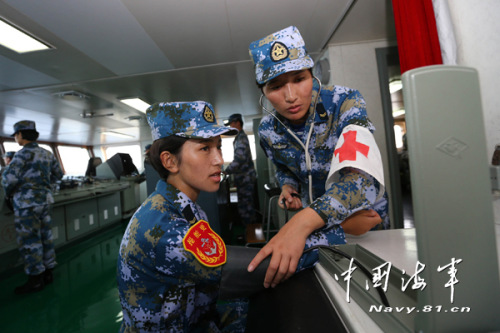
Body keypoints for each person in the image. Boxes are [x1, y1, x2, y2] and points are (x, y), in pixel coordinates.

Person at [247, 26, 389, 288]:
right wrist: (288, 185)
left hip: (363, 223)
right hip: (323, 225)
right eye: (276, 86)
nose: (291, 97)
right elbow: (283, 167)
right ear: (263, 91)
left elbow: (362, 182)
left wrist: (302, 223)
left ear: (313, 75)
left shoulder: (344, 103)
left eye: (299, 79)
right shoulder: (268, 131)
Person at [117, 101, 247, 332]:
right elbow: (235, 271)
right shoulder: (162, 224)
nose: (219, 159)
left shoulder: (188, 208)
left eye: (219, 147)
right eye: (205, 148)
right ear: (170, 161)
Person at [1, 120, 64, 294]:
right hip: (45, 200)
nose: (15, 138)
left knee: (30, 241)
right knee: (46, 236)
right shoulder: (47, 153)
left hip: (27, 204)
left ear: (21, 134)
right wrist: (43, 187)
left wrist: (9, 195)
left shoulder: (21, 155)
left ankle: (35, 279)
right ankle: (48, 272)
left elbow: (9, 180)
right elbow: (58, 174)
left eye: (16, 135)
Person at [223, 113, 260, 240]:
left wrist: (226, 171)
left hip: (245, 179)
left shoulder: (241, 138)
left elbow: (239, 159)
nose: (230, 127)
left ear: (237, 123)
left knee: (246, 208)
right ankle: (250, 235)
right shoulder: (240, 137)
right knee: (247, 207)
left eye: (232, 124)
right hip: (244, 178)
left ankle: (253, 238)